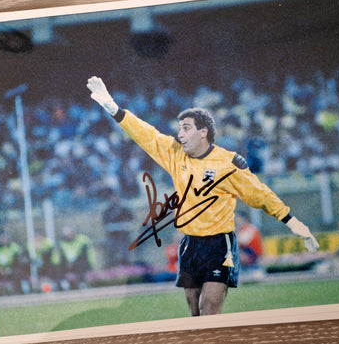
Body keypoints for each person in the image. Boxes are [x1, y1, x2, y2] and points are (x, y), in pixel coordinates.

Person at [86, 76, 319, 316]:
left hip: (219, 244)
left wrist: (294, 223)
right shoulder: (176, 155)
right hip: (189, 244)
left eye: (186, 128)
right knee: (194, 311)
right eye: (179, 129)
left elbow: (261, 195)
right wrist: (113, 108)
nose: (181, 134)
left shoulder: (227, 163)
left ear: (203, 132)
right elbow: (146, 134)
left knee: (209, 308)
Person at [102, 193, 133, 267]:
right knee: (112, 251)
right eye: (113, 198)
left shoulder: (125, 209)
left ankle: (126, 264)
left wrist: (126, 224)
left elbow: (131, 219)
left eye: (116, 198)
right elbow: (105, 222)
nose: (114, 199)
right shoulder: (108, 210)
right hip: (113, 235)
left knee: (125, 251)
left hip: (124, 234)